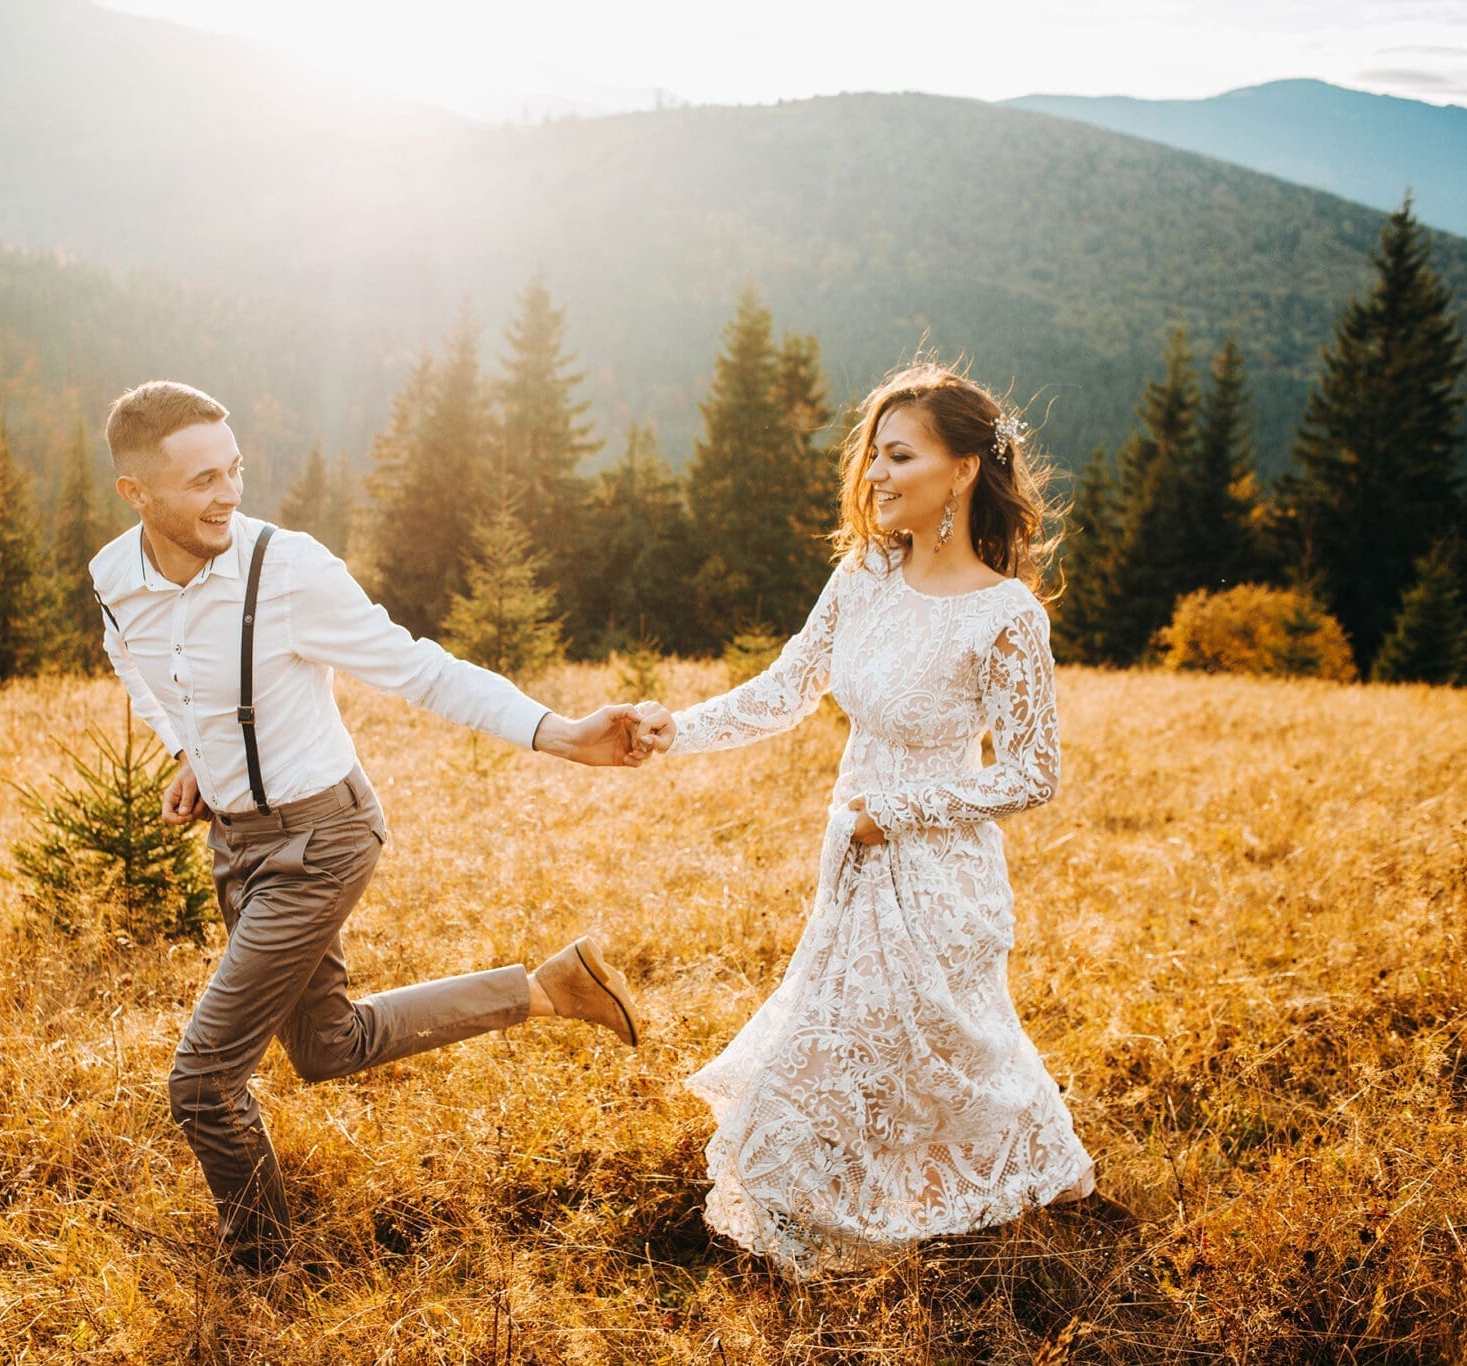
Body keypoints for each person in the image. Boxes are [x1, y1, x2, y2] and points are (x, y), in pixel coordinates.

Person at [90, 381, 649, 1272]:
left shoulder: (290, 571)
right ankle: (548, 989)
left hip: (324, 838)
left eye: (233, 471)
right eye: (201, 481)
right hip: (235, 844)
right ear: (137, 495)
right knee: (324, 1047)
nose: (228, 495)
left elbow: (421, 671)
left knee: (202, 1081)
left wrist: (561, 734)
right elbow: (136, 661)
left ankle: (262, 1271)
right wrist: (190, 749)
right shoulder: (116, 578)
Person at [632, 360, 1096, 1278]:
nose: (875, 476)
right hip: (849, 860)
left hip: (937, 880)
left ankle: (927, 1242)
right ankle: (844, 1247)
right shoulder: (866, 574)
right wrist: (671, 730)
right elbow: (788, 689)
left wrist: (900, 808)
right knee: (866, 1062)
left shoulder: (1005, 617)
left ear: (962, 470)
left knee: (922, 1064)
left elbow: (1034, 774)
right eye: (873, 456)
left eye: (900, 456)